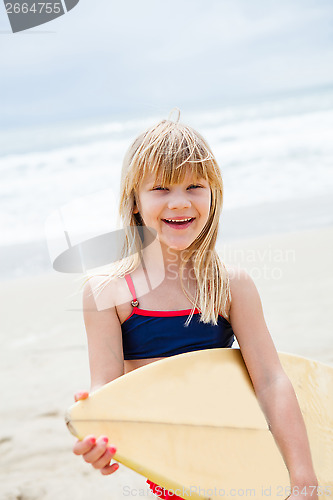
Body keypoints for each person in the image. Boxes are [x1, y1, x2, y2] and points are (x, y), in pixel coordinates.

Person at [72, 115, 318, 500]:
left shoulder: (229, 285)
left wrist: (304, 481)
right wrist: (101, 436)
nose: (180, 201)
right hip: (176, 468)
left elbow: (271, 380)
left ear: (212, 195)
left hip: (248, 445)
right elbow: (108, 391)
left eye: (194, 186)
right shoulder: (107, 293)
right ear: (134, 202)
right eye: (160, 188)